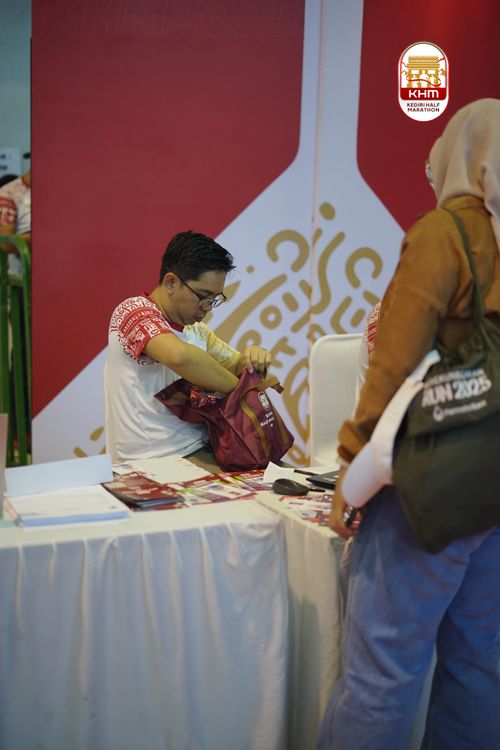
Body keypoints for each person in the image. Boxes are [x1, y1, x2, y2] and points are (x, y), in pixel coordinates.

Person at [317, 98, 500, 749]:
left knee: (382, 674)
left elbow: (392, 365)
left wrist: (350, 468)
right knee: (480, 666)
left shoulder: (446, 234)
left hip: (432, 483)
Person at [104, 230, 271, 465]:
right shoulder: (133, 311)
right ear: (171, 282)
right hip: (151, 460)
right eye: (202, 296)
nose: (208, 308)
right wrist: (241, 392)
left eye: (215, 299)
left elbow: (237, 367)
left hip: (204, 448)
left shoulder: (197, 331)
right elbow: (180, 357)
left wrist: (254, 357)